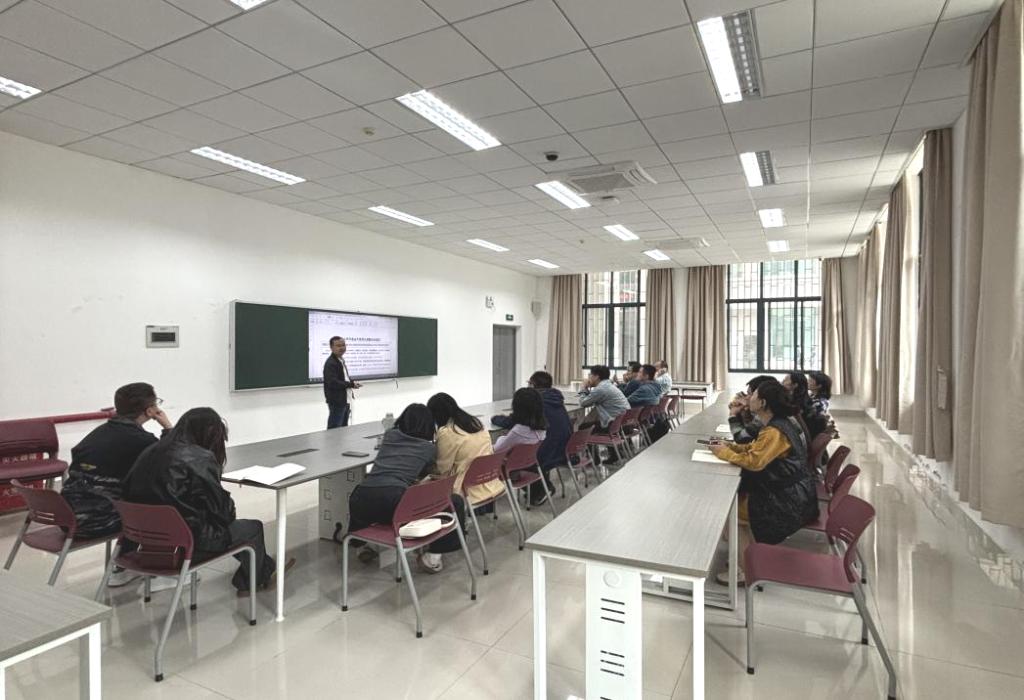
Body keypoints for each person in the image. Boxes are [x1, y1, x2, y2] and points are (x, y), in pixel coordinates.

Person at [123, 408, 288, 597]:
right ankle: (252, 581)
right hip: (184, 543)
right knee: (252, 528)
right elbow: (224, 514)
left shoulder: (150, 451)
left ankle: (265, 569)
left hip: (143, 542)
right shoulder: (199, 458)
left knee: (236, 532)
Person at [61, 382, 173, 588]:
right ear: (150, 410)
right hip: (98, 520)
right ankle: (160, 571)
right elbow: (172, 461)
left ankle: (123, 567)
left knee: (135, 497)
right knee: (162, 503)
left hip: (67, 516)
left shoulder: (98, 433)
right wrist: (168, 428)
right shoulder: (141, 440)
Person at [710, 381, 819, 585]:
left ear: (763, 403)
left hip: (787, 501)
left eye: (753, 395)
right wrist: (730, 447)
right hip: (791, 491)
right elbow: (754, 448)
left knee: (732, 514)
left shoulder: (774, 431)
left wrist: (723, 453)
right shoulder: (777, 423)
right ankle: (746, 556)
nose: (748, 397)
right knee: (736, 505)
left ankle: (743, 571)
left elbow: (754, 462)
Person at [347, 403, 465, 574]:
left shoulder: (389, 435)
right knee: (455, 501)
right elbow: (430, 473)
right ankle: (433, 557)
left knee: (369, 505)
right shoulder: (428, 448)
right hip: (395, 500)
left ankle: (360, 546)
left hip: (361, 496)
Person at [492, 373, 570, 506]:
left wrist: (495, 419)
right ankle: (542, 487)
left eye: (529, 383)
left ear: (533, 385)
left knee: (516, 456)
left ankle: (540, 489)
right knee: (525, 450)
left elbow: (512, 423)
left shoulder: (534, 403)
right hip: (563, 447)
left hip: (546, 452)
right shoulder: (555, 399)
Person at [428, 393, 505, 507]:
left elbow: (442, 469)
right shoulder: (476, 423)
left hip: (465, 488)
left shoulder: (447, 432)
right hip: (489, 480)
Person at [577, 365, 629, 434]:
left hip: (615, 426)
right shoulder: (607, 385)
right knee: (590, 422)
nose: (589, 378)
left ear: (596, 377)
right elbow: (590, 398)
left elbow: (583, 403)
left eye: (590, 375)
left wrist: (583, 387)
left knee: (582, 427)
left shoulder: (601, 389)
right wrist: (586, 389)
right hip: (624, 424)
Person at [323, 336, 361, 429]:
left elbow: (343, 378)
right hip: (337, 401)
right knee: (335, 430)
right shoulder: (331, 363)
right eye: (338, 346)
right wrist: (350, 384)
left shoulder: (340, 360)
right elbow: (333, 382)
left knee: (344, 430)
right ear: (331, 347)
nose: (342, 348)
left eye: (343, 345)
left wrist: (352, 383)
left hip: (345, 400)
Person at [727, 375, 775, 444]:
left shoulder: (766, 417)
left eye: (750, 394)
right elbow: (750, 434)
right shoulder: (769, 412)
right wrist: (744, 413)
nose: (746, 397)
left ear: (763, 401)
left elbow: (741, 439)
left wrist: (733, 415)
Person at [807, 371, 840, 439]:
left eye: (810, 381)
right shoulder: (812, 395)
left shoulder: (819, 403)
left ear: (819, 386)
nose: (807, 382)